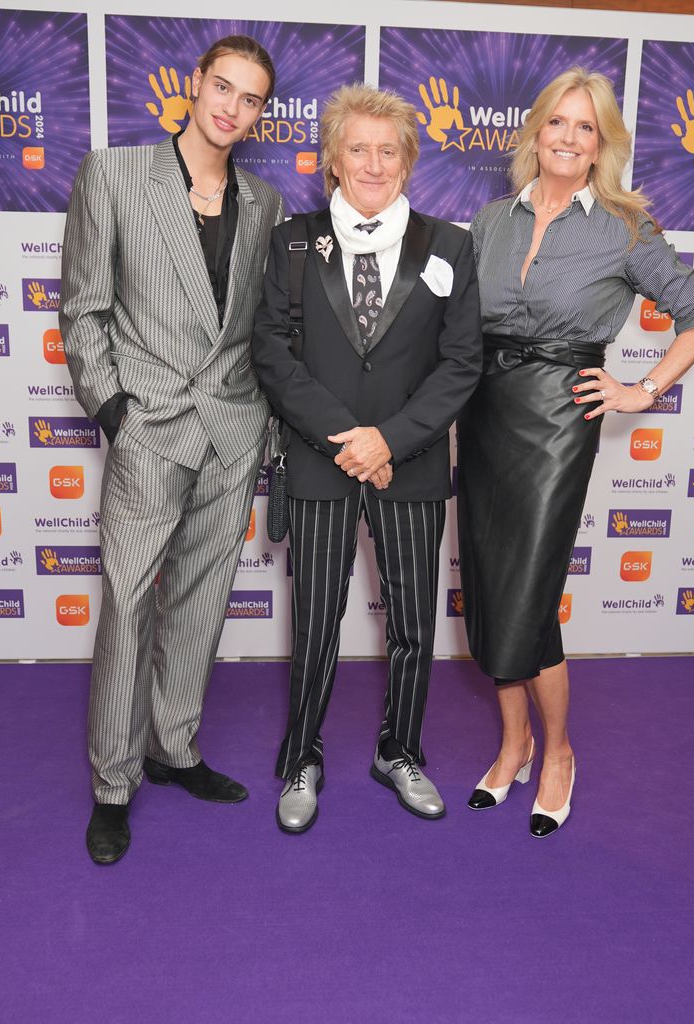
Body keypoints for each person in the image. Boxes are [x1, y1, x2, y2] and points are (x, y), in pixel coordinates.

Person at [458, 67, 694, 837]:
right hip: (480, 417)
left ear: (601, 144)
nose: (568, 139)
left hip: (554, 420)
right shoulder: (489, 220)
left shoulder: (622, 226)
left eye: (586, 128)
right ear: (534, 132)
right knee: (488, 584)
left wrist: (642, 389)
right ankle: (511, 748)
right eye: (557, 124)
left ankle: (559, 753)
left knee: (527, 595)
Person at [59, 35, 284, 864]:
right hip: (147, 426)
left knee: (199, 605)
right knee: (127, 606)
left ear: (262, 112)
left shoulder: (262, 204)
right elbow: (83, 310)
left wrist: (265, 422)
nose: (230, 107)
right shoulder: (114, 174)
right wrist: (113, 409)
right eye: (221, 87)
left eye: (250, 98)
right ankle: (112, 784)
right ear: (193, 85)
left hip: (232, 429)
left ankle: (172, 748)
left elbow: (256, 328)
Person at [252, 83, 482, 833]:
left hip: (409, 463)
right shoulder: (291, 241)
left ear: (408, 161)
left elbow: (460, 363)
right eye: (358, 148)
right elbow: (274, 355)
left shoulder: (449, 245)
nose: (373, 163)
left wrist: (392, 438)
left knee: (413, 622)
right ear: (331, 160)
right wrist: (351, 440)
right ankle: (301, 758)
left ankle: (400, 750)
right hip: (321, 461)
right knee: (315, 623)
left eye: (388, 150)